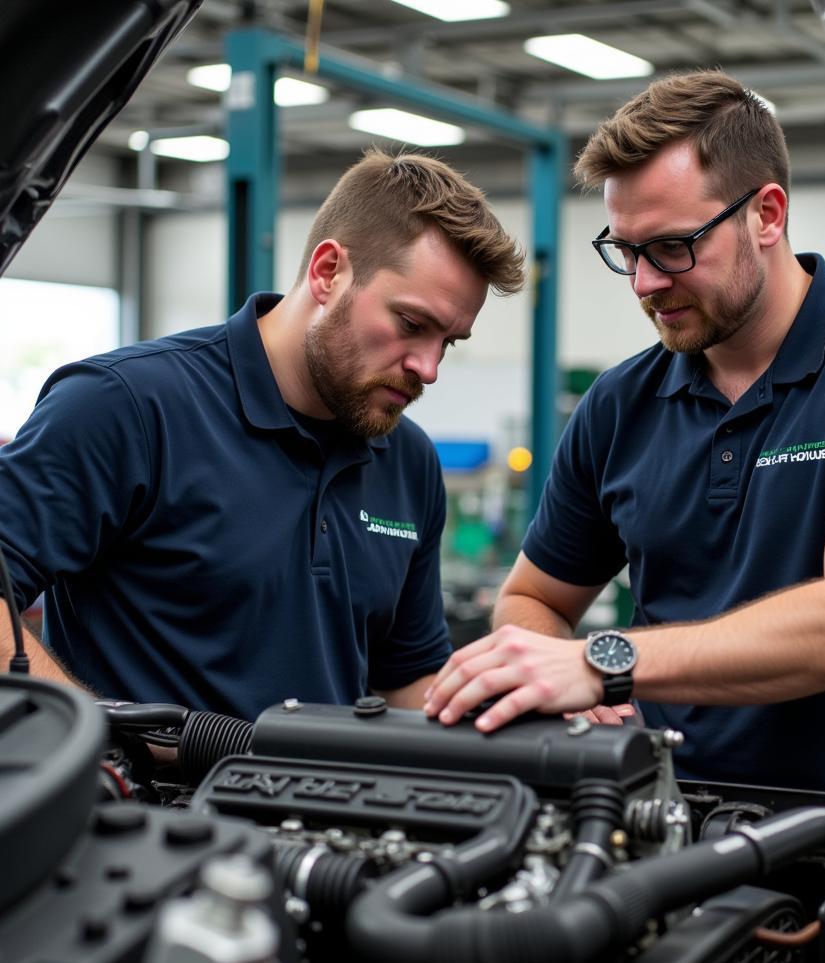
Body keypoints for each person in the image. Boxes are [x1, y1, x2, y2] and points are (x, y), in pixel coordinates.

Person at [424, 71, 825, 800]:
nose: (643, 284)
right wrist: (575, 683)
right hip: (662, 815)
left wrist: (603, 661)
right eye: (625, 250)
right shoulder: (620, 404)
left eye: (670, 247)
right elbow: (532, 598)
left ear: (767, 214)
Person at [0, 149, 524, 720]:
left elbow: (405, 678)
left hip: (329, 805)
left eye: (448, 342)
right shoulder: (124, 406)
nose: (429, 367)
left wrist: (508, 712)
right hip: (149, 805)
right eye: (412, 325)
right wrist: (98, 744)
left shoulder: (409, 459)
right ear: (329, 272)